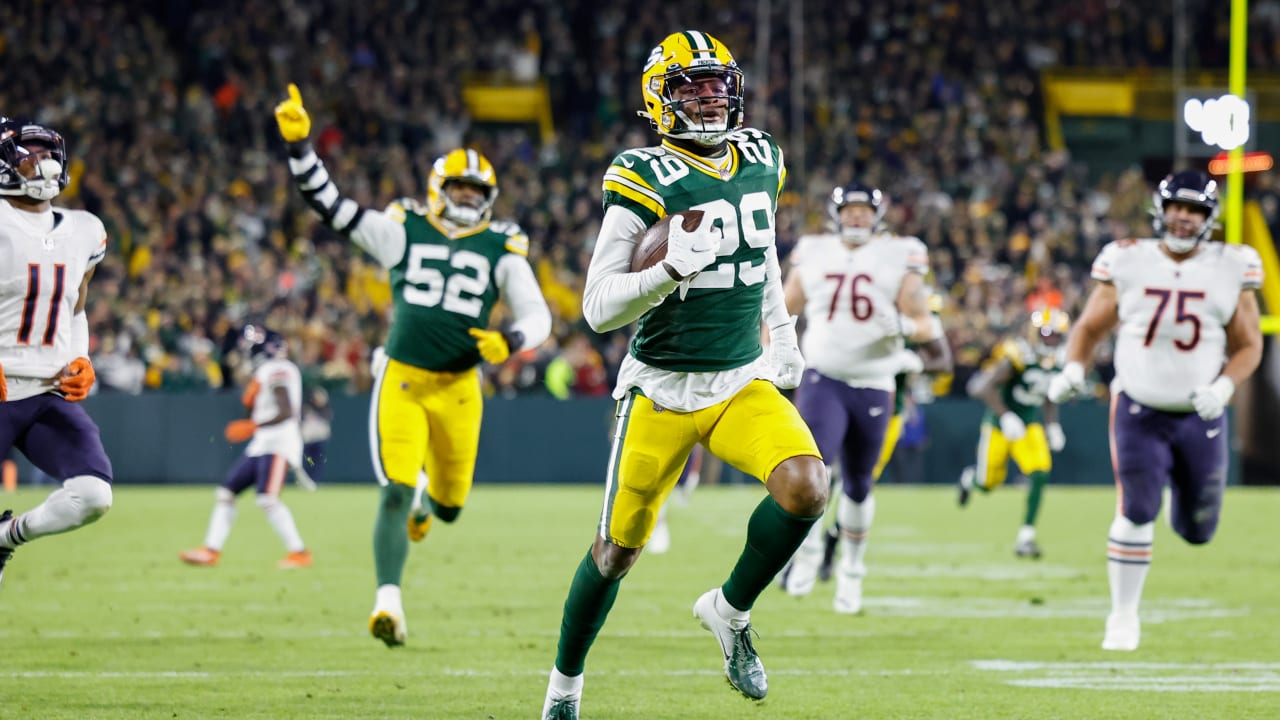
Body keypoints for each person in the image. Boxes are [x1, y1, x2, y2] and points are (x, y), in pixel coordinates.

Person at [541, 31, 829, 720]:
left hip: (736, 380)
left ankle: (728, 611)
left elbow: (762, 252)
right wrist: (668, 269)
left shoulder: (760, 155)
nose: (708, 96)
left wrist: (782, 330)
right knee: (614, 554)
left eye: (715, 83)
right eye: (691, 86)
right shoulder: (643, 174)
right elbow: (597, 307)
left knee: (807, 487)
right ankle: (563, 692)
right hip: (662, 389)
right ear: (659, 98)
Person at [273, 85, 552, 647]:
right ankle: (388, 605)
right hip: (401, 378)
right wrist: (302, 148)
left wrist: (512, 338)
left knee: (448, 509)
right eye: (460, 186)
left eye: (478, 189)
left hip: (459, 389)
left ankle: (432, 498)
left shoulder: (502, 244)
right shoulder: (403, 227)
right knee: (394, 490)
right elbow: (333, 207)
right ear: (437, 187)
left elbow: (537, 313)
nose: (469, 196)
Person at [1047, 170, 1263, 652]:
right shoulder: (1129, 260)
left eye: (1195, 211)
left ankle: (1175, 500)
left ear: (1209, 218)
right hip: (1139, 407)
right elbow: (1088, 328)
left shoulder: (1233, 265)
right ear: (1161, 210)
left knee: (1198, 530)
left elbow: (1250, 345)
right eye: (1177, 208)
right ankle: (1123, 617)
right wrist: (1074, 369)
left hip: (1200, 413)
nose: (1183, 219)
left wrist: (1226, 386)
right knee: (1136, 508)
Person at [777, 182, 951, 612]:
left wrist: (906, 328)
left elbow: (925, 325)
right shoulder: (814, 251)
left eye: (863, 210)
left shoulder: (900, 253)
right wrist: (769, 354)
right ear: (836, 214)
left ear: (877, 215)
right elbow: (783, 310)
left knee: (858, 484)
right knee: (814, 472)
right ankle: (809, 552)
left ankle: (851, 571)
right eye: (849, 210)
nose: (856, 218)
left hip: (875, 379)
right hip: (824, 375)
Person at [0, 119, 113, 589]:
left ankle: (6, 537)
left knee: (93, 495)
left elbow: (76, 308)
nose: (42, 162)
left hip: (48, 392)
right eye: (29, 154)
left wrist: (81, 356)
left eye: (47, 153)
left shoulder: (84, 230)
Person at [179, 325, 313, 568]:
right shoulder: (268, 371)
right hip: (263, 443)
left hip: (278, 443)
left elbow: (286, 411)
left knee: (267, 499)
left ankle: (300, 552)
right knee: (226, 493)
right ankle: (211, 550)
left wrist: (254, 425)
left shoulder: (277, 369)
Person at [957, 307, 1070, 559]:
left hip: (1030, 424)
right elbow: (979, 387)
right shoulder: (1019, 354)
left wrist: (1052, 424)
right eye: (1046, 333)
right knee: (988, 484)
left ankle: (1026, 535)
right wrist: (1005, 415)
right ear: (1034, 333)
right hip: (999, 425)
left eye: (1055, 335)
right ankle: (970, 479)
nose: (1050, 339)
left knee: (1040, 472)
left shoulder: (1058, 360)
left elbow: (1049, 394)